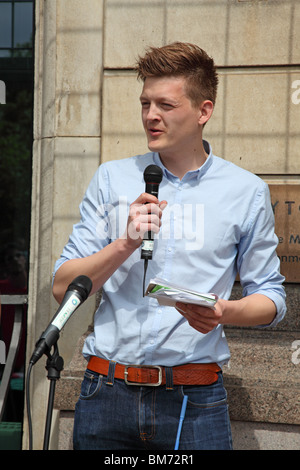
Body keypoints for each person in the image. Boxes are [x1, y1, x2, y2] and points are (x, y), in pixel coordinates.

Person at [52, 42, 286, 450]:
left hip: (193, 400)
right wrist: (125, 242)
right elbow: (62, 287)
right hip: (104, 392)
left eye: (165, 105)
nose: (151, 116)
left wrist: (222, 312)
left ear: (203, 111)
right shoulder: (111, 179)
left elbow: (271, 297)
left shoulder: (246, 192)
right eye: (145, 104)